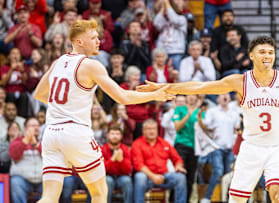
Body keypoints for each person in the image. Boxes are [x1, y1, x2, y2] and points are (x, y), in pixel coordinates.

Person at [137, 35, 279, 203]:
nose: (267, 56)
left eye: (271, 52)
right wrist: (166, 88)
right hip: (252, 147)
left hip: (278, 146)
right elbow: (201, 88)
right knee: (237, 198)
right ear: (252, 56)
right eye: (262, 52)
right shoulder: (240, 81)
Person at [33, 19, 175, 203]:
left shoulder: (58, 62)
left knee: (49, 197)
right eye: (93, 37)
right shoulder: (91, 65)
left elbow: (39, 94)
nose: (98, 41)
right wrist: (155, 95)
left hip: (51, 134)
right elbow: (122, 97)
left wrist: (65, 106)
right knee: (99, 193)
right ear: (79, 42)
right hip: (76, 133)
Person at [131, 119, 187, 203]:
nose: (152, 131)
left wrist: (178, 166)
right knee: (139, 177)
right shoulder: (137, 144)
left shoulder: (164, 143)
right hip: (147, 178)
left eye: (154, 129)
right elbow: (139, 165)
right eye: (149, 129)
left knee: (180, 177)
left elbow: (177, 158)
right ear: (143, 131)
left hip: (163, 177)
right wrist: (153, 176)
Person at [9, 117, 42, 203]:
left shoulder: (44, 141)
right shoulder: (17, 141)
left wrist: (36, 144)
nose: (36, 127)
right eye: (33, 125)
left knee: (55, 182)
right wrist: (25, 141)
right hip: (23, 180)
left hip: (43, 181)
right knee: (15, 182)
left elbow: (50, 156)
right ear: (25, 128)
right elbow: (14, 155)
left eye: (38, 125)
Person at [101, 124, 133, 203]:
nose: (115, 136)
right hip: (108, 176)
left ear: (121, 136)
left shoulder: (125, 149)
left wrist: (121, 160)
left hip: (121, 177)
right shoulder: (102, 149)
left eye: (117, 134)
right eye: (112, 134)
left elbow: (129, 170)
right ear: (108, 135)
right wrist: (112, 159)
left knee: (127, 180)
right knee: (108, 180)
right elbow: (101, 170)